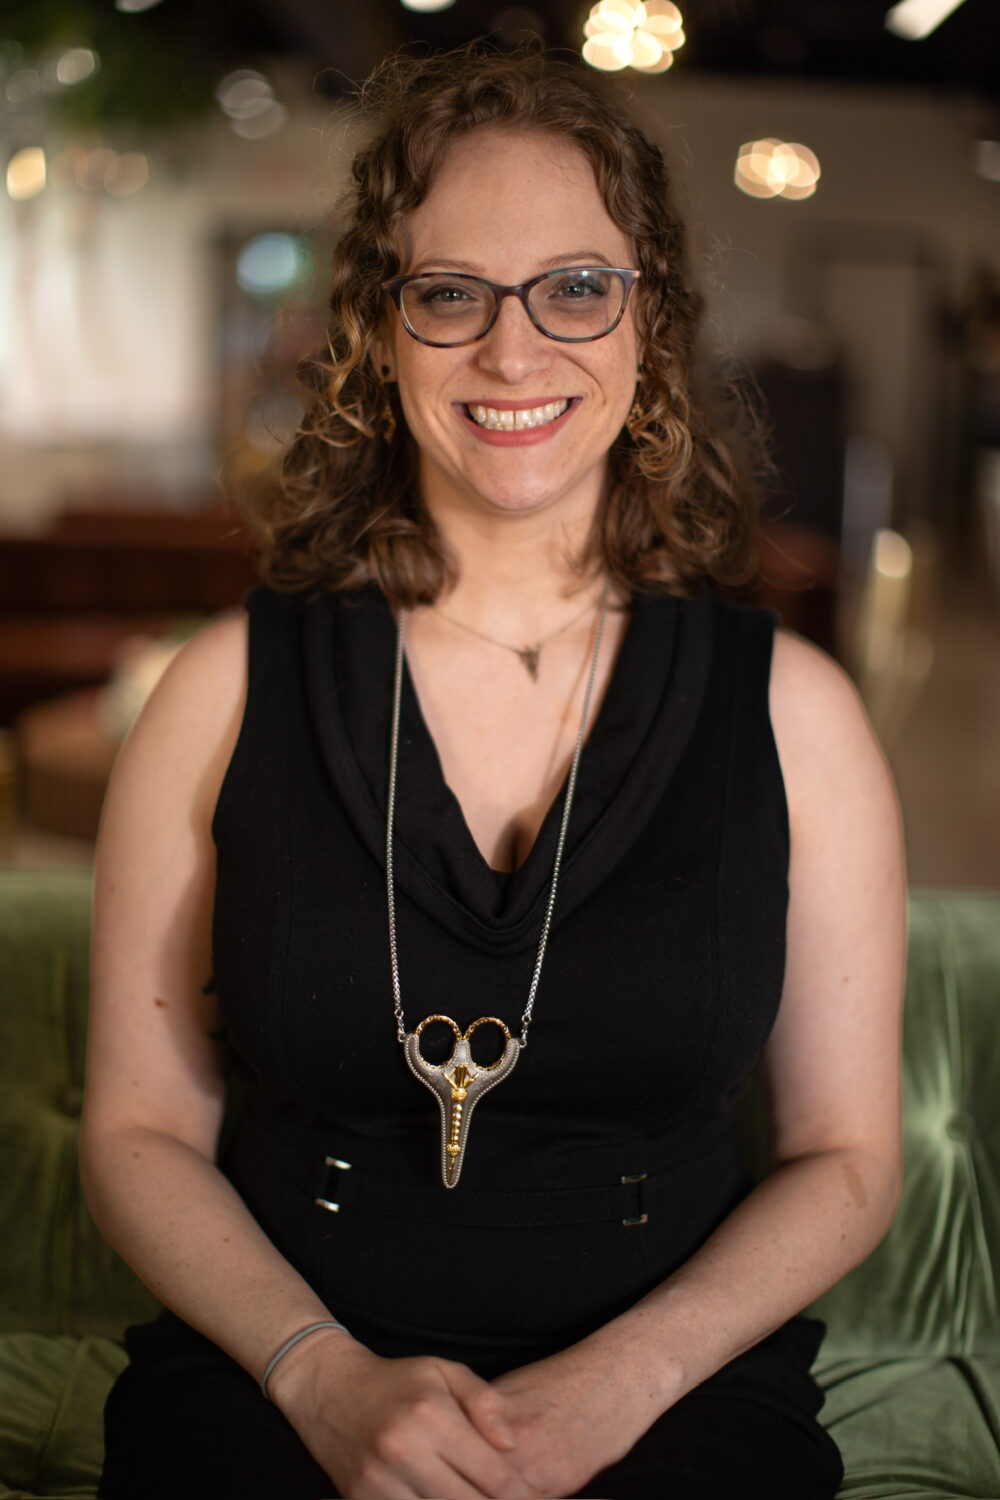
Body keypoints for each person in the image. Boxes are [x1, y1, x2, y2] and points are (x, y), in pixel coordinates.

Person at [81, 44, 907, 1500]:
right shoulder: (218, 693)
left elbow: (845, 1155)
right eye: (449, 294)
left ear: (648, 320)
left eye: (576, 289)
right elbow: (140, 1131)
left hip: (676, 1393)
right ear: (376, 332)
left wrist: (624, 1382)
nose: (512, 356)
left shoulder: (798, 713)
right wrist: (320, 1378)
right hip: (277, 1379)